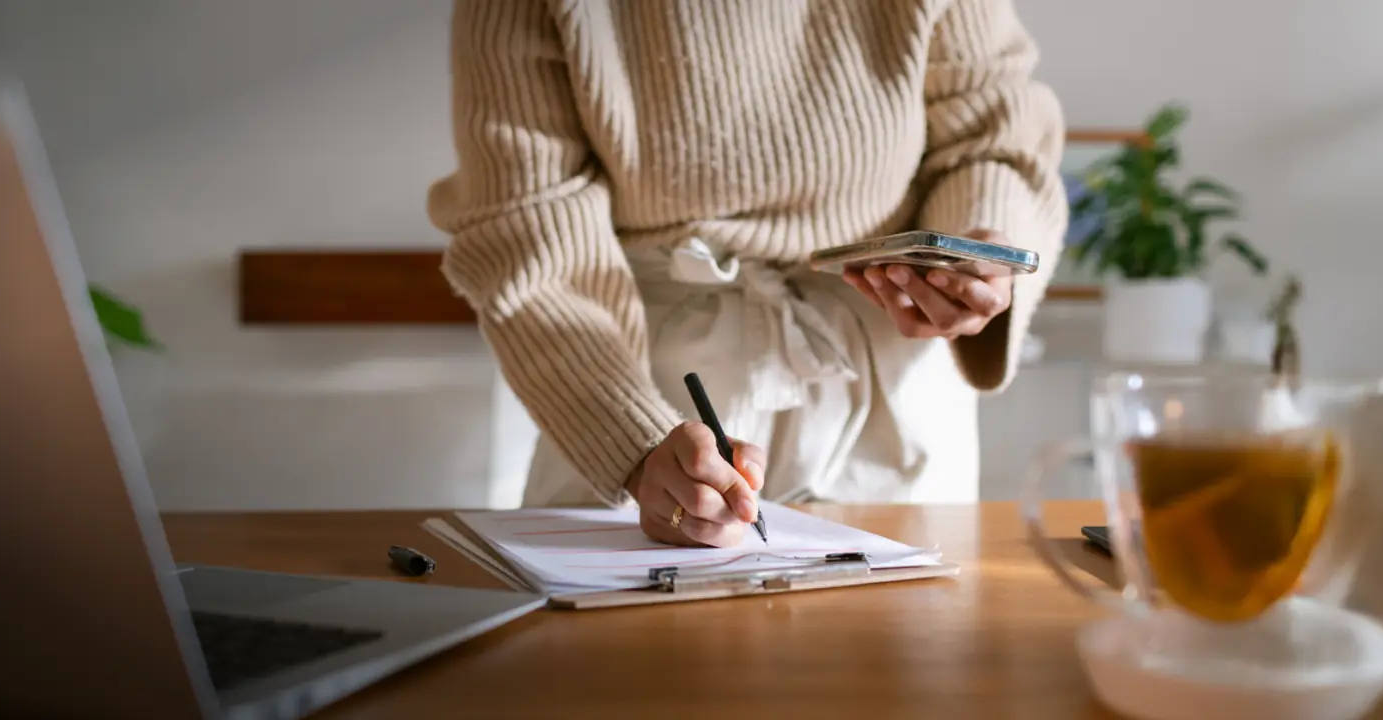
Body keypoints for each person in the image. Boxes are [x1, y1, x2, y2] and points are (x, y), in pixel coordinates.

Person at [427, 0, 1066, 547]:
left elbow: (993, 133)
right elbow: (525, 223)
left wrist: (976, 253)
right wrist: (634, 444)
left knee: (909, 671)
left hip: (890, 393)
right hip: (638, 388)